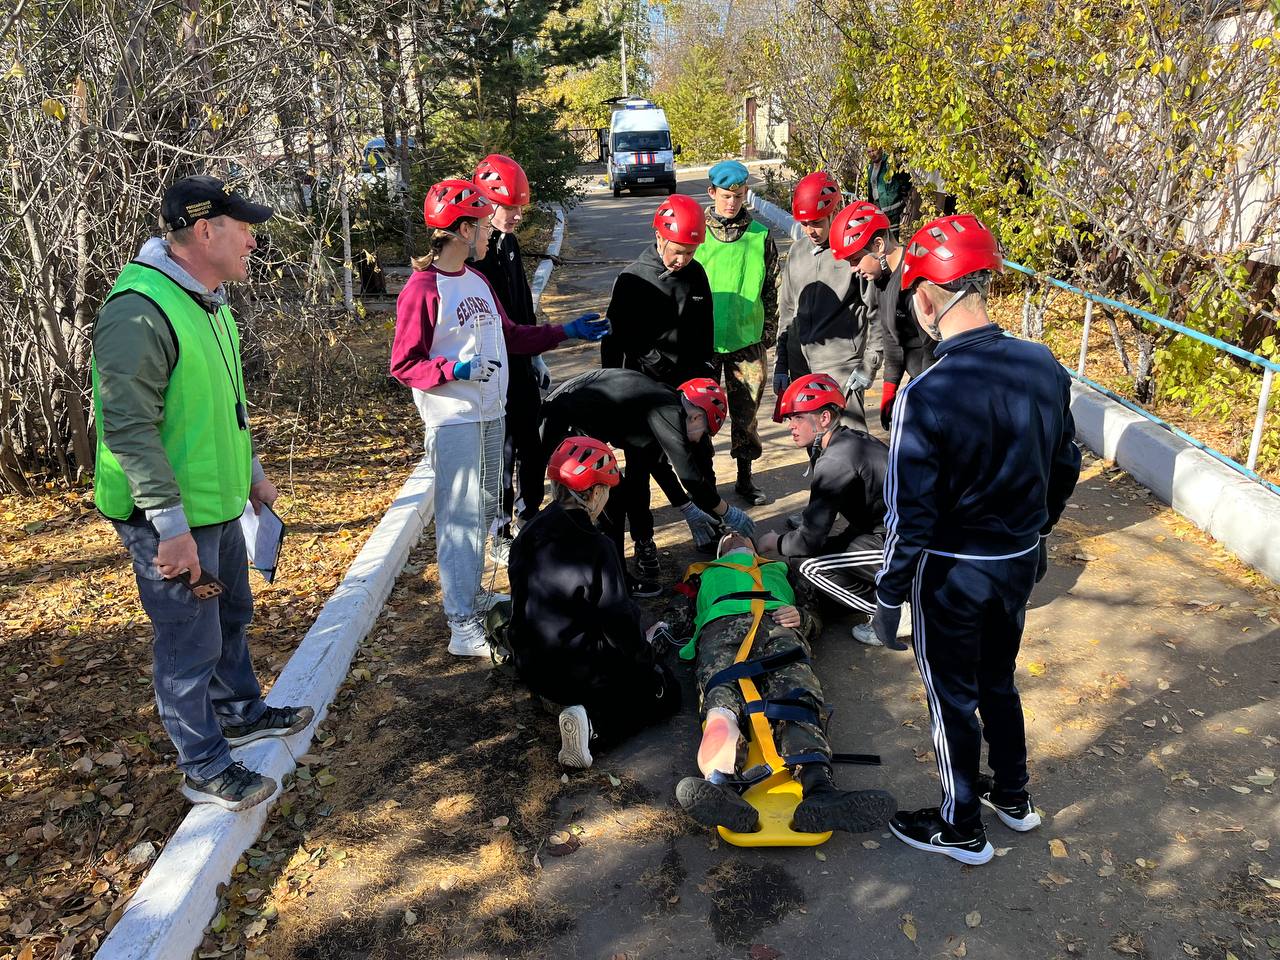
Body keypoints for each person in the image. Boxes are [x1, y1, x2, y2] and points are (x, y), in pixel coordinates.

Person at [92, 175, 314, 811]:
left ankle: (240, 712)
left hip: (214, 505)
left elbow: (225, 407)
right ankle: (203, 763)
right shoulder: (139, 311)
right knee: (188, 642)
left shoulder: (208, 302)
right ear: (204, 230)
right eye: (241, 227)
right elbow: (128, 428)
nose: (251, 238)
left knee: (229, 617)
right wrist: (170, 528)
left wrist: (253, 474)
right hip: (167, 517)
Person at [871, 215, 1081, 864]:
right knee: (999, 680)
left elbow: (910, 516)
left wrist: (888, 595)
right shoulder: (1043, 364)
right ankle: (1013, 796)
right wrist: (1038, 530)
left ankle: (962, 825)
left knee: (951, 698)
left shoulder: (926, 392)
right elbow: (1064, 465)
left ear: (929, 299)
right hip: (1017, 561)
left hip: (953, 575)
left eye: (914, 304)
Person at [390, 178, 609, 657]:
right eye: (483, 223)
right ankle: (460, 624)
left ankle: (473, 598)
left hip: (492, 413)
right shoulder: (423, 289)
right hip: (454, 420)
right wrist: (455, 369)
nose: (491, 231)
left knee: (485, 510)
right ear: (464, 229)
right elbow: (404, 365)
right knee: (460, 519)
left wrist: (565, 332)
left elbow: (511, 336)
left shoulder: (477, 280)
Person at [665, 533, 897, 834]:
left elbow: (815, 611)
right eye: (727, 538)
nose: (734, 537)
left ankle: (820, 791)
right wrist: (656, 635)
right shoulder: (700, 573)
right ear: (720, 551)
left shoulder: (784, 569)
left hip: (778, 627)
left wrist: (802, 616)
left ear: (755, 547)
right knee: (721, 702)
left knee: (797, 697)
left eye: (742, 536)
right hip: (721, 629)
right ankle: (720, 786)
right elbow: (676, 613)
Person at [504, 436, 681, 769]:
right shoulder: (597, 545)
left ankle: (559, 704)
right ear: (596, 492)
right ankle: (596, 729)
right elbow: (618, 621)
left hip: (529, 662)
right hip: (576, 672)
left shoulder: (529, 530)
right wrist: (647, 659)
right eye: (607, 491)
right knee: (666, 692)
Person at [540, 368, 756, 595]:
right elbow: (689, 476)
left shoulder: (658, 404)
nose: (700, 439)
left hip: (569, 423)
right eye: (704, 432)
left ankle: (615, 578)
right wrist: (727, 512)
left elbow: (655, 463)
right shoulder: (669, 410)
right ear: (696, 416)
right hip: (559, 426)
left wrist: (687, 506)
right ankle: (611, 583)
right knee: (610, 502)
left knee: (615, 500)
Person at [601, 194, 719, 569]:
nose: (682, 259)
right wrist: (613, 399)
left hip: (689, 389)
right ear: (659, 237)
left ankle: (714, 520)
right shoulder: (632, 280)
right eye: (677, 251)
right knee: (639, 469)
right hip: (644, 392)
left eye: (690, 252)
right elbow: (614, 342)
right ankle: (644, 541)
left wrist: (708, 378)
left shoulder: (696, 275)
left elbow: (705, 332)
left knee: (700, 455)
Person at [754, 375, 910, 647]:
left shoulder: (836, 457)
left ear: (824, 418)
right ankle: (892, 593)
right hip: (892, 533)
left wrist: (775, 542)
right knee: (818, 558)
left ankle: (895, 613)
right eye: (790, 418)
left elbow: (808, 541)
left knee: (809, 566)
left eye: (798, 418)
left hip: (904, 543)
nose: (791, 426)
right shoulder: (849, 441)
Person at [469, 154, 549, 561]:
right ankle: (499, 529)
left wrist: (536, 355)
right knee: (501, 453)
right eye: (508, 207)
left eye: (520, 207)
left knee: (532, 448)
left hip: (520, 361)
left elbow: (522, 305)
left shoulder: (510, 244)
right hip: (490, 371)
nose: (516, 215)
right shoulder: (473, 258)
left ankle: (529, 514)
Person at [694, 160, 780, 506]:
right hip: (704, 343)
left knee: (746, 416)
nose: (732, 202)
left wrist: (769, 331)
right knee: (698, 416)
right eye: (727, 195)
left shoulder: (759, 235)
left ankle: (745, 479)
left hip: (748, 341)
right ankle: (704, 481)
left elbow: (772, 287)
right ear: (712, 192)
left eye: (739, 196)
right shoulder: (696, 232)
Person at [776, 172, 881, 432]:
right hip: (801, 368)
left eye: (817, 222)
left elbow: (876, 313)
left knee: (850, 447)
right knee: (814, 446)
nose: (810, 230)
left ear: (834, 213)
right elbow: (787, 310)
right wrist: (782, 364)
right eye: (804, 223)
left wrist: (869, 365)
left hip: (841, 370)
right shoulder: (798, 253)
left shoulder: (854, 255)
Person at [830, 200, 935, 431]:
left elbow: (931, 349)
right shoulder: (880, 279)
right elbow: (891, 338)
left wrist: (924, 399)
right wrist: (889, 390)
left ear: (878, 245)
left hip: (935, 387)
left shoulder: (915, 281)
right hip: (918, 379)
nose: (853, 269)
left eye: (855, 259)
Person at [865, 146, 912, 236]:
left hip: (892, 207)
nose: (871, 154)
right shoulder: (870, 166)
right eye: (869, 152)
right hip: (877, 205)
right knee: (880, 234)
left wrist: (901, 195)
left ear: (880, 149)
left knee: (892, 235)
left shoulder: (890, 163)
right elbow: (871, 186)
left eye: (873, 150)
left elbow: (906, 179)